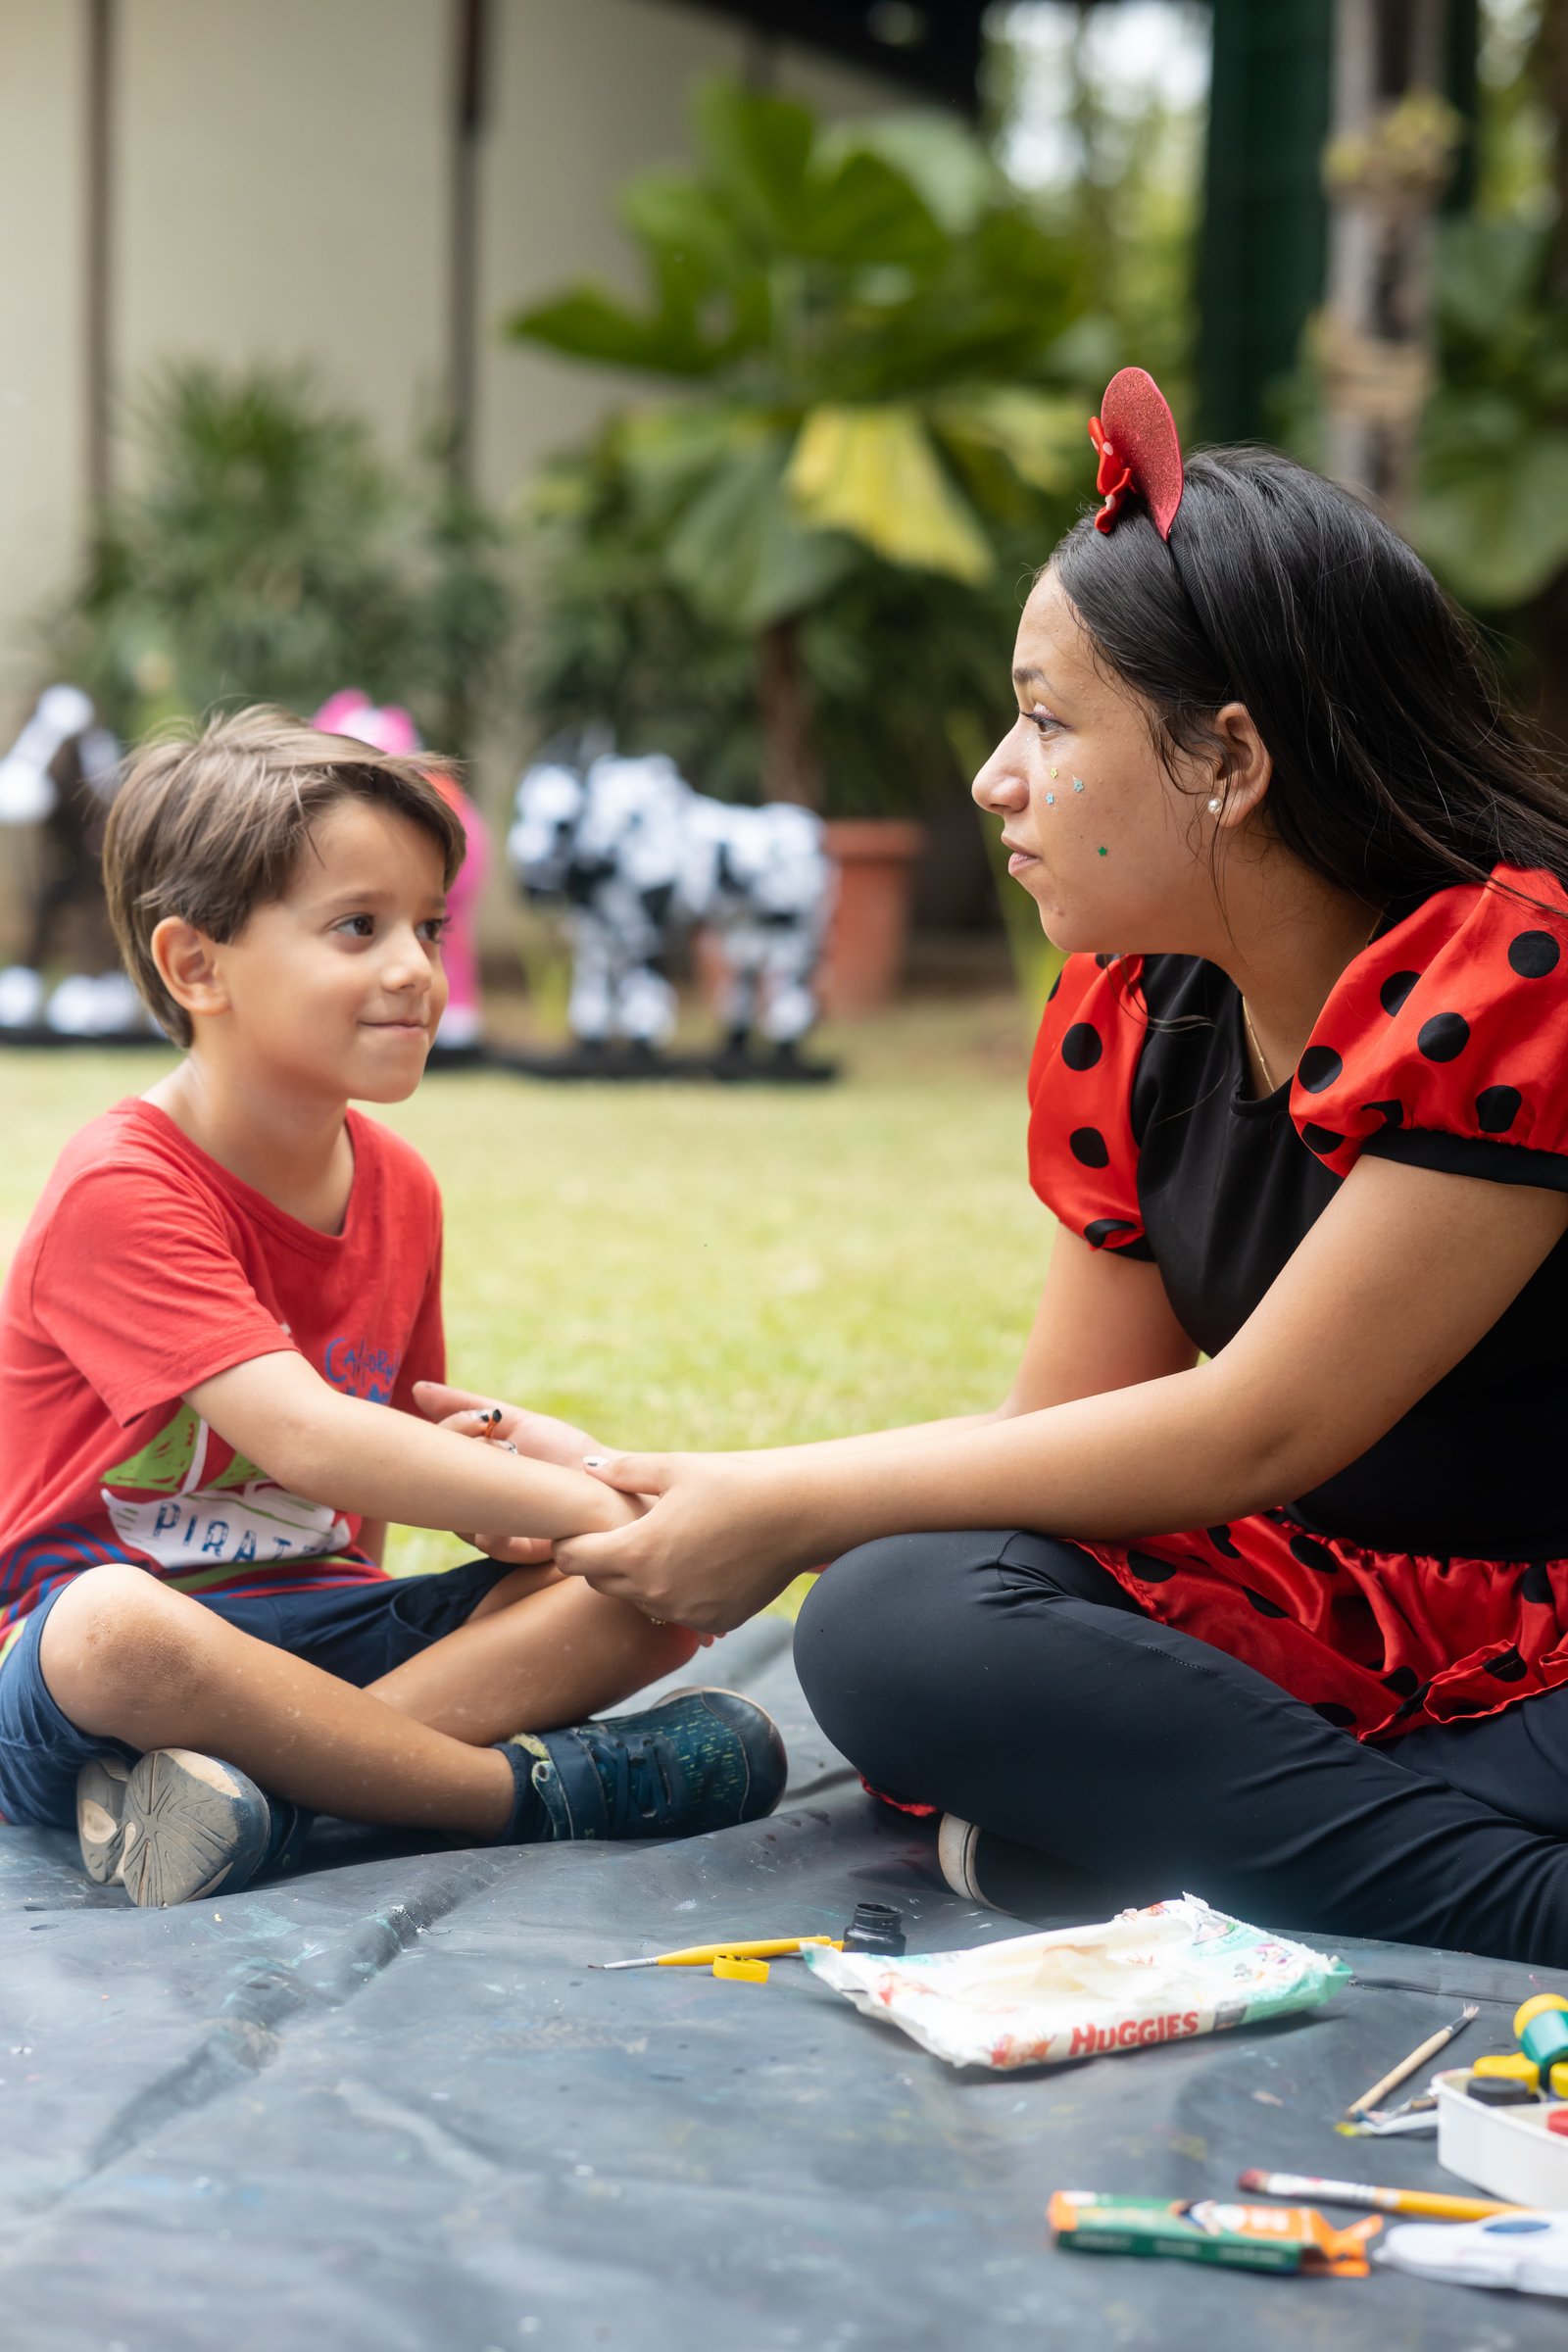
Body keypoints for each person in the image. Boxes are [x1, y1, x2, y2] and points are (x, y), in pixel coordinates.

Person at [530, 370, 1568, 1966]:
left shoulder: (1513, 988)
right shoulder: (1136, 1017)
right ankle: (1310, 1827)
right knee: (895, 1617)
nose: (991, 779)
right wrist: (686, 1489)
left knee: (914, 1618)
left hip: (1548, 1638)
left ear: (1230, 761)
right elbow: (1068, 1438)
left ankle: (1457, 1888)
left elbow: (1253, 1429)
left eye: (1046, 718)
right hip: (1352, 1607)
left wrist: (780, 1499)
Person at [0, 709, 783, 1907]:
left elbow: (380, 1470)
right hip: (88, 1668)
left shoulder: (399, 1187)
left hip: (321, 1628)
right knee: (113, 1626)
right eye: (358, 927)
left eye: (428, 925)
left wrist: (524, 1503)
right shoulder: (123, 1183)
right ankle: (512, 1795)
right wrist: (586, 1501)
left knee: (639, 1598)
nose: (417, 968)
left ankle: (260, 1803)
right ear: (195, 964)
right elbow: (311, 1436)